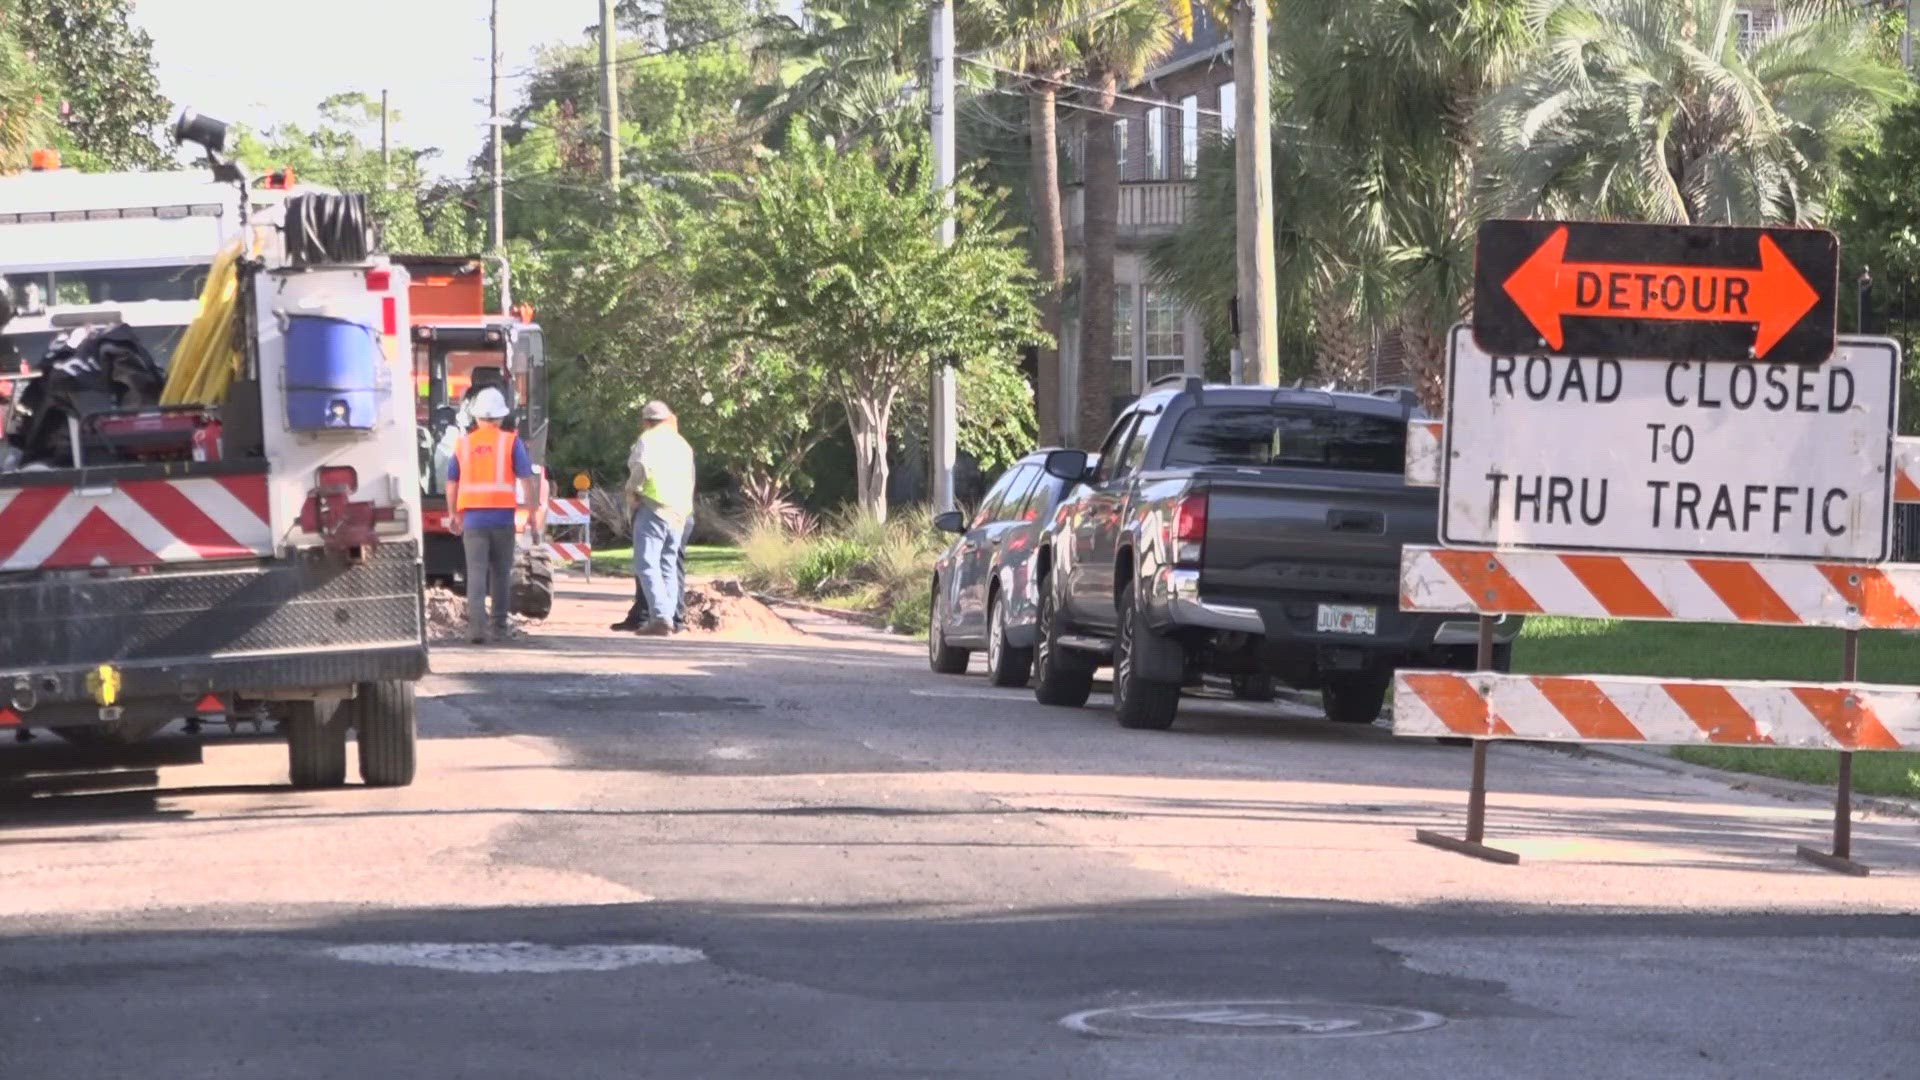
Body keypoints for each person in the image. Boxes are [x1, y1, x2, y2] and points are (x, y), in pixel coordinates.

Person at [445, 387, 540, 644]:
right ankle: (498, 627)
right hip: (502, 519)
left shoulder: (463, 444)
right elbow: (528, 480)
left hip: (474, 521)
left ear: (476, 417)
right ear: (500, 418)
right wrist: (531, 513)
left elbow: (451, 482)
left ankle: (476, 629)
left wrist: (453, 514)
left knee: (476, 573)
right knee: (501, 572)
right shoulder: (510, 442)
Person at [613, 400, 695, 636]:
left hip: (654, 507)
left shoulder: (648, 440)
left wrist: (633, 491)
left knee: (646, 562)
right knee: (667, 563)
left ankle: (659, 616)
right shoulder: (682, 444)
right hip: (679, 511)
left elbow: (641, 468)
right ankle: (667, 617)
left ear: (646, 421)